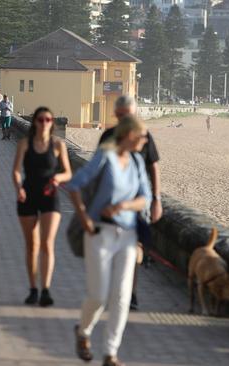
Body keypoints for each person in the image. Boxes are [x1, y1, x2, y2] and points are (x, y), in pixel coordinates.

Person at [68, 115, 151, 366]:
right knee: (99, 295)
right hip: (99, 233)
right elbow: (74, 184)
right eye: (142, 135)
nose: (145, 140)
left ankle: (110, 353)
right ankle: (83, 331)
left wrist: (124, 205)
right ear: (128, 135)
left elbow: (145, 197)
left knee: (122, 297)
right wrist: (84, 219)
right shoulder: (106, 157)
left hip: (128, 236)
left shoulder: (137, 161)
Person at [98, 95, 162, 311]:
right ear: (117, 115)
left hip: (137, 203)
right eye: (124, 115)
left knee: (134, 250)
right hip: (111, 203)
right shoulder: (107, 136)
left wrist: (157, 200)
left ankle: (130, 294)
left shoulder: (144, 136)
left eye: (130, 115)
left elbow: (154, 167)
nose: (127, 119)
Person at [12, 107, 72, 307]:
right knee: (32, 246)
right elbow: (16, 171)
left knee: (47, 243)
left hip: (50, 196)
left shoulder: (58, 145)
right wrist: (18, 187)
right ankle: (33, 289)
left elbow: (68, 173)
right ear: (35, 122)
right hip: (28, 195)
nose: (44, 123)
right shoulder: (24, 144)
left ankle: (45, 289)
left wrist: (57, 177)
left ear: (52, 122)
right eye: (40, 119)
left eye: (48, 119)